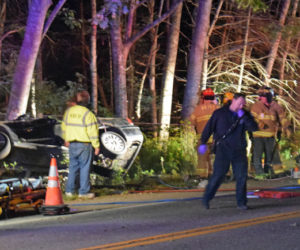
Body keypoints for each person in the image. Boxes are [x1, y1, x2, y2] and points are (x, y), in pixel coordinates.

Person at [198, 93, 258, 210]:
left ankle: (241, 203)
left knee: (241, 177)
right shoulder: (219, 113)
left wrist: (244, 117)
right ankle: (206, 198)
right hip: (223, 150)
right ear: (234, 101)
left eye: (243, 104)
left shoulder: (244, 114)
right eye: (240, 103)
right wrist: (203, 142)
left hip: (239, 150)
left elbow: (254, 127)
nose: (241, 106)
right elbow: (208, 128)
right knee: (218, 176)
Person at [61, 90, 100, 199]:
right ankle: (83, 192)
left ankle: (69, 191)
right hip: (84, 144)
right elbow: (93, 132)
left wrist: (66, 139)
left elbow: (64, 127)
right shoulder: (88, 114)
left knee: (73, 167)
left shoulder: (69, 112)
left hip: (72, 144)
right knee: (84, 168)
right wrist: (96, 145)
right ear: (87, 101)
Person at [250, 86, 291, 179]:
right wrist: (261, 125)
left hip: (271, 135)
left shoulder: (276, 106)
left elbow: (282, 118)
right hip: (258, 135)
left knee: (271, 154)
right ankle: (259, 173)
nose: (264, 98)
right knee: (258, 154)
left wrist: (285, 129)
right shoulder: (256, 106)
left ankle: (273, 172)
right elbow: (253, 119)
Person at [189, 88, 219, 179]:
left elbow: (191, 123)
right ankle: (215, 175)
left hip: (202, 139)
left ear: (203, 98)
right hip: (216, 139)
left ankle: (202, 176)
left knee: (202, 158)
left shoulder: (197, 109)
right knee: (215, 158)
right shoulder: (217, 108)